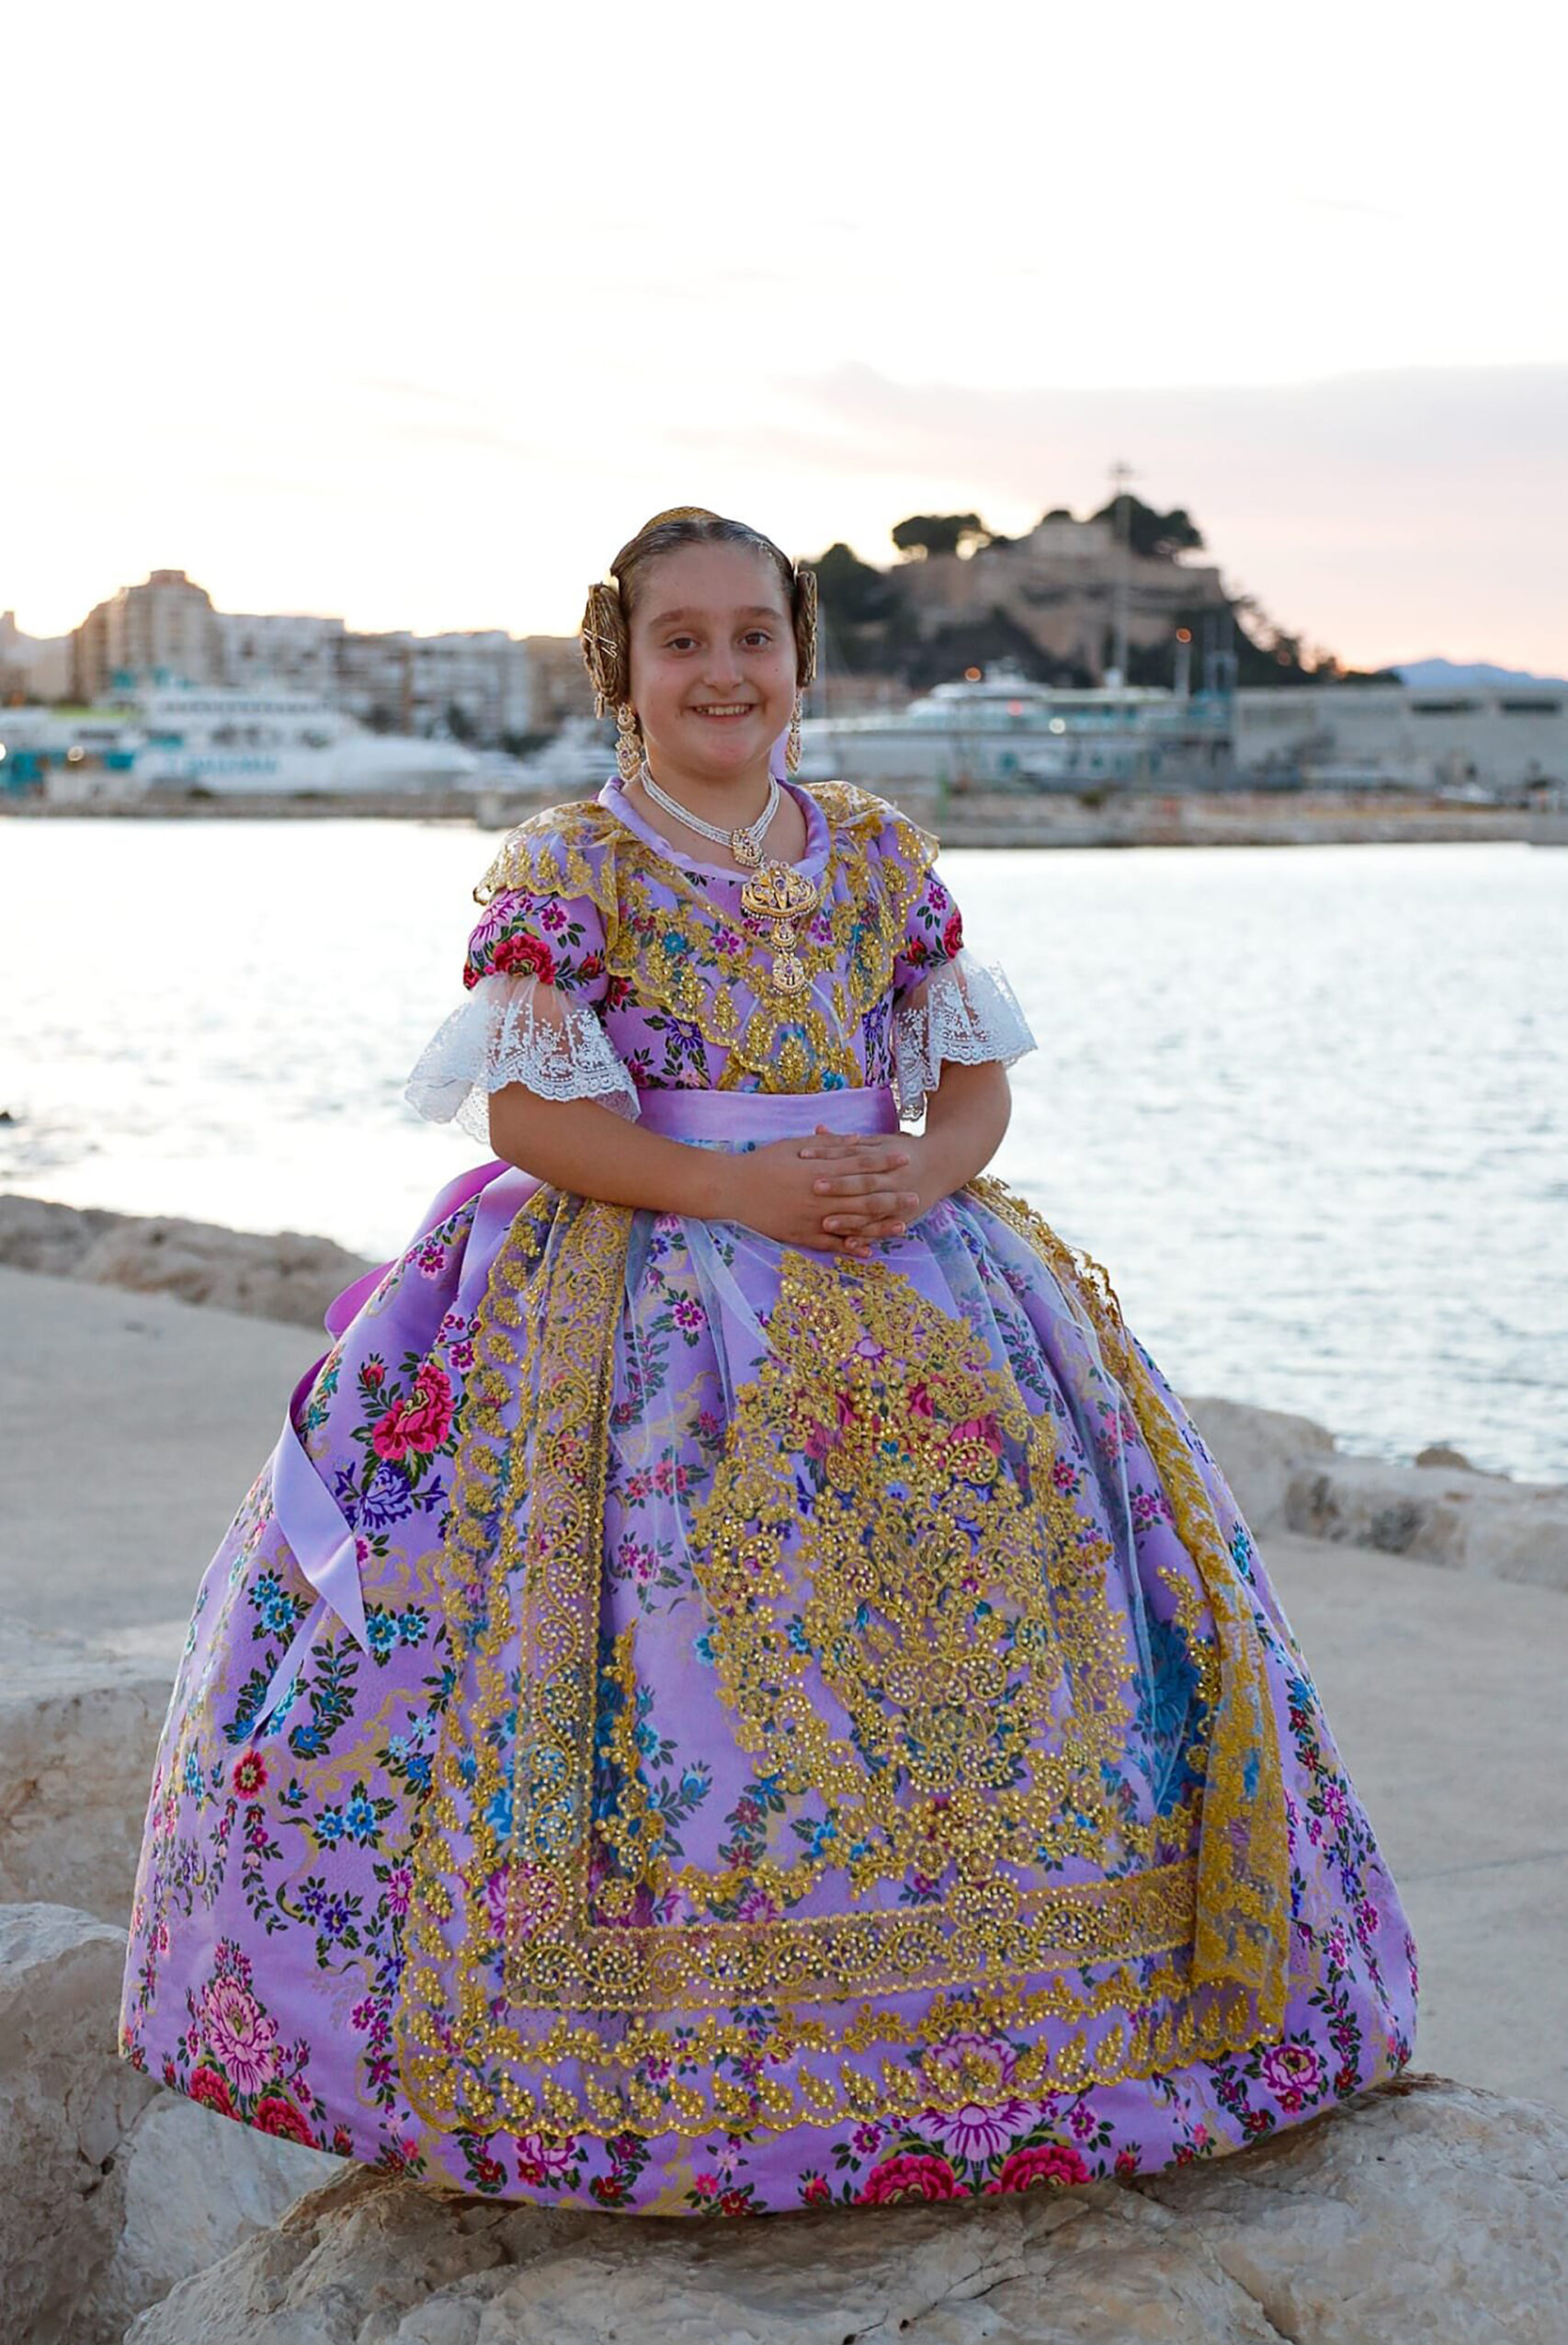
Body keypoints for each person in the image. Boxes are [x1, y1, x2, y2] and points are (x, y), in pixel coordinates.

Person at [119, 507, 1416, 2214]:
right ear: (624, 668)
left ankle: (1028, 2026)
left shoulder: (878, 851)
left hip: (908, 1268)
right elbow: (529, 1112)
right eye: (683, 641)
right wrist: (736, 1189)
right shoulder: (565, 867)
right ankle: (665, 2069)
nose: (722, 668)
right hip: (645, 1278)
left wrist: (927, 1169)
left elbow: (967, 1078)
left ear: (799, 656)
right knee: (689, 1648)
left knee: (992, 1635)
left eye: (753, 635)